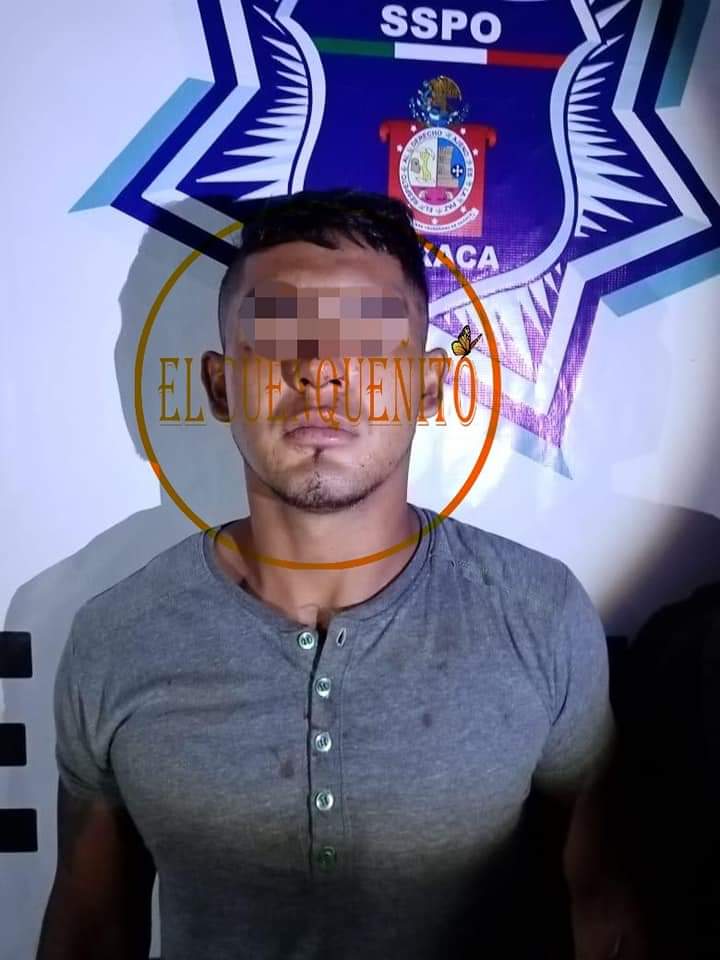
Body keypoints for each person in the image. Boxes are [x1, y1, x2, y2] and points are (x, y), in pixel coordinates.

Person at [37, 189, 643, 959]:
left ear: (428, 386)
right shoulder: (117, 637)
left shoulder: (538, 614)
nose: (320, 369)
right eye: (276, 332)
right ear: (220, 386)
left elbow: (604, 906)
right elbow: (89, 928)